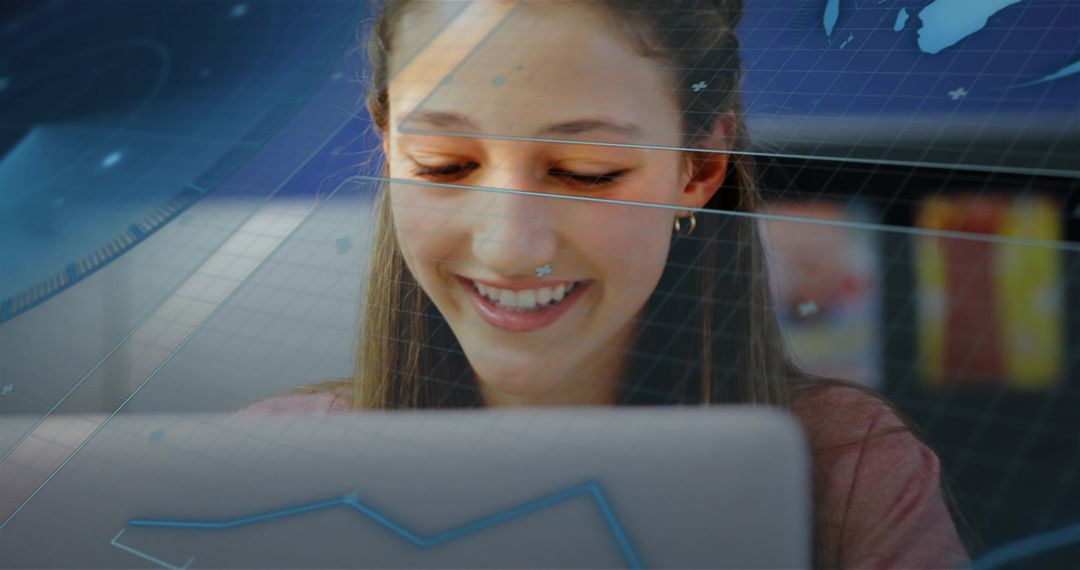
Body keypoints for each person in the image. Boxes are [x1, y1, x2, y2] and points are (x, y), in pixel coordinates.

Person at [241, 1, 971, 567]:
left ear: (699, 168)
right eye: (443, 163)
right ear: (387, 147)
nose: (510, 247)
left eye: (587, 173)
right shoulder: (263, 467)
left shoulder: (849, 473)